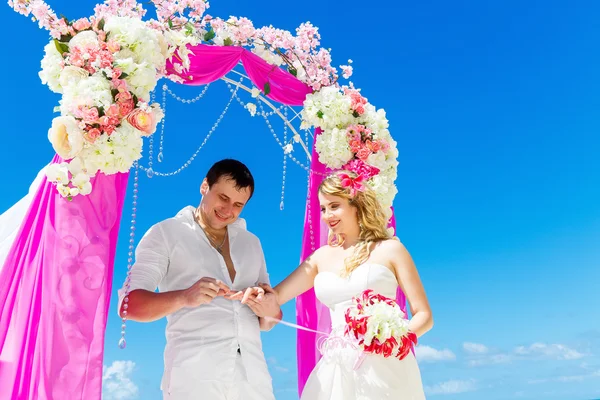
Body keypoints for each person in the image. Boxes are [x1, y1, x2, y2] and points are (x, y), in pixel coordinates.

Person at [239, 170, 433, 399]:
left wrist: (389, 339)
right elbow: (277, 296)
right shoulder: (319, 258)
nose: (326, 215)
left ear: (356, 204)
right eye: (322, 208)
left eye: (334, 206)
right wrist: (251, 294)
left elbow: (424, 316)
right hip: (336, 367)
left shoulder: (391, 249)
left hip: (387, 366)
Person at [117, 159, 281, 400]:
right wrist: (184, 296)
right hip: (194, 380)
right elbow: (128, 306)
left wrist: (268, 308)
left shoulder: (252, 243)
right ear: (205, 186)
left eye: (238, 205)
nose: (228, 210)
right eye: (223, 198)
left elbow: (268, 321)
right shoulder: (165, 233)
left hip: (254, 382)